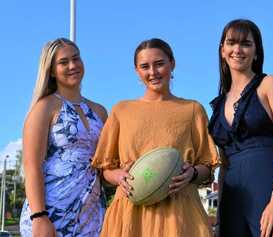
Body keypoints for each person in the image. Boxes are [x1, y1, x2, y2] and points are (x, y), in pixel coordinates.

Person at [92, 38, 219, 237]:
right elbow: (104, 169)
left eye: (159, 64)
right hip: (131, 211)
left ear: (172, 63)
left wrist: (192, 173)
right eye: (145, 66)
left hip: (179, 212)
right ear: (136, 71)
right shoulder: (121, 111)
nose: (153, 72)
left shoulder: (192, 109)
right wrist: (118, 176)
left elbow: (207, 166)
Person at [208, 19, 273, 237]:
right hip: (231, 201)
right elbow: (224, 163)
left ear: (256, 52)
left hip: (268, 192)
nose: (237, 49)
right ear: (222, 50)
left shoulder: (270, 85)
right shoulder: (218, 105)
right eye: (231, 43)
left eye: (246, 44)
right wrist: (220, 215)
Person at [19, 38, 107, 237]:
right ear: (51, 71)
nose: (73, 65)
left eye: (76, 59)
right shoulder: (45, 107)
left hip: (91, 216)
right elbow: (31, 165)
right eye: (63, 62)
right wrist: (39, 216)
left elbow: (107, 164)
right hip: (51, 214)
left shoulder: (100, 111)